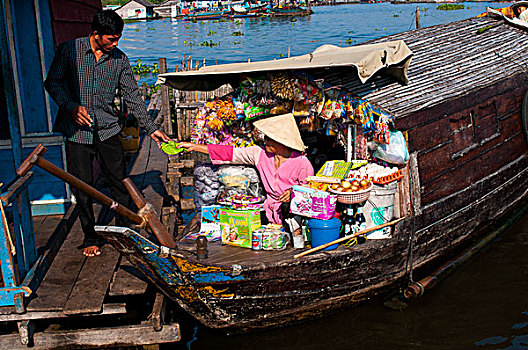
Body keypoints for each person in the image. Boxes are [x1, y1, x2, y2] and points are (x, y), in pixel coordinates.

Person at [44, 10, 171, 257]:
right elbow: (53, 83)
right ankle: (91, 237)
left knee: (120, 181)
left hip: (108, 129)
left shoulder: (119, 60)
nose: (115, 44)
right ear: (95, 34)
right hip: (76, 132)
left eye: (118, 39)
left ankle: (124, 234)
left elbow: (133, 98)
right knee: (83, 187)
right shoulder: (69, 51)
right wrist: (71, 107)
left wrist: (152, 129)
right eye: (110, 39)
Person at [179, 113, 314, 232]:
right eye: (265, 138)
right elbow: (230, 154)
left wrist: (293, 193)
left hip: (292, 215)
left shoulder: (302, 163)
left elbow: (311, 191)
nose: (264, 141)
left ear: (282, 142)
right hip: (268, 212)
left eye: (269, 139)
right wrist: (194, 147)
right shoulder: (259, 153)